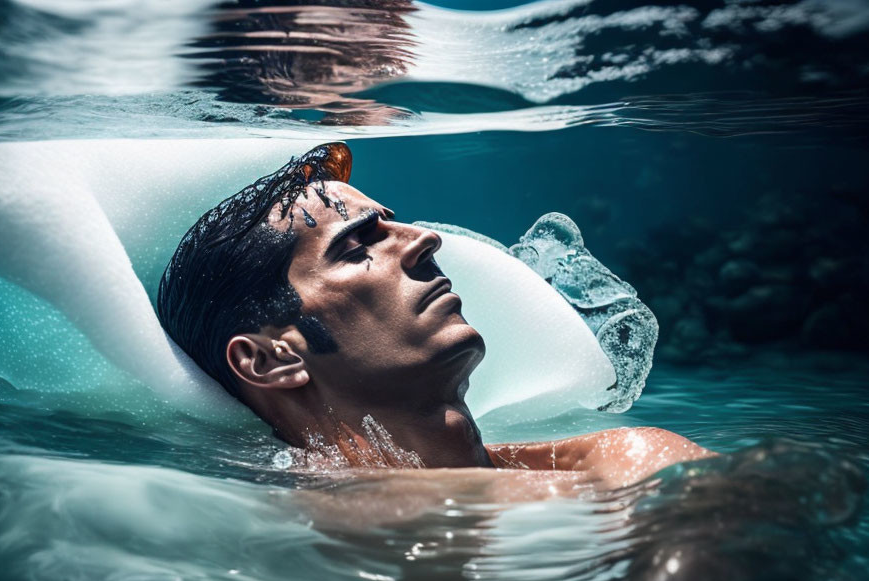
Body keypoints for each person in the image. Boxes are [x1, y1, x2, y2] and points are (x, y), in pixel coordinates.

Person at [157, 142, 713, 489]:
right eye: (356, 246)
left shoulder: (621, 456)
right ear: (271, 357)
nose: (427, 238)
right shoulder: (278, 536)